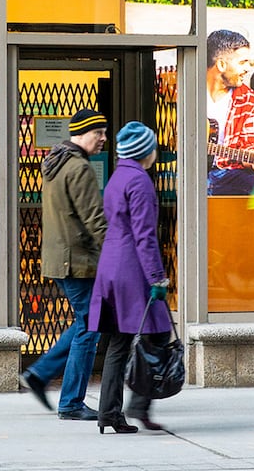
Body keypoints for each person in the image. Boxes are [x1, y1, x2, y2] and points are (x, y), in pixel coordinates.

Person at [18, 109, 109, 420]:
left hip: (62, 260)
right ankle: (70, 402)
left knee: (87, 322)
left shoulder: (55, 163)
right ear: (83, 133)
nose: (103, 139)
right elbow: (95, 220)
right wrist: (118, 256)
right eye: (99, 132)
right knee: (90, 328)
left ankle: (40, 374)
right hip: (78, 262)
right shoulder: (79, 168)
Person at [90, 122, 172, 434]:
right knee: (159, 334)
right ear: (144, 151)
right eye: (152, 147)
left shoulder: (117, 177)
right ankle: (138, 403)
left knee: (119, 342)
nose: (155, 151)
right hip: (131, 269)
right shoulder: (139, 181)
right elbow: (145, 236)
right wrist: (157, 277)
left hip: (110, 266)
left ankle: (108, 413)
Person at [206, 29, 254, 196]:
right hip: (185, 172)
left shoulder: (248, 98)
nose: (247, 68)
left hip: (225, 174)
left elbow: (250, 143)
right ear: (221, 64)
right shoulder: (183, 88)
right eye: (242, 62)